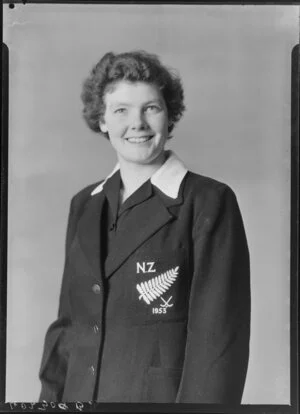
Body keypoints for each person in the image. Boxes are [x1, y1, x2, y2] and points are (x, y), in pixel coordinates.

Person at [38, 50, 251, 403]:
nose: (136, 123)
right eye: (121, 110)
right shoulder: (85, 205)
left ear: (170, 116)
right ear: (102, 120)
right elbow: (68, 327)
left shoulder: (209, 200)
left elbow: (218, 343)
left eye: (150, 108)